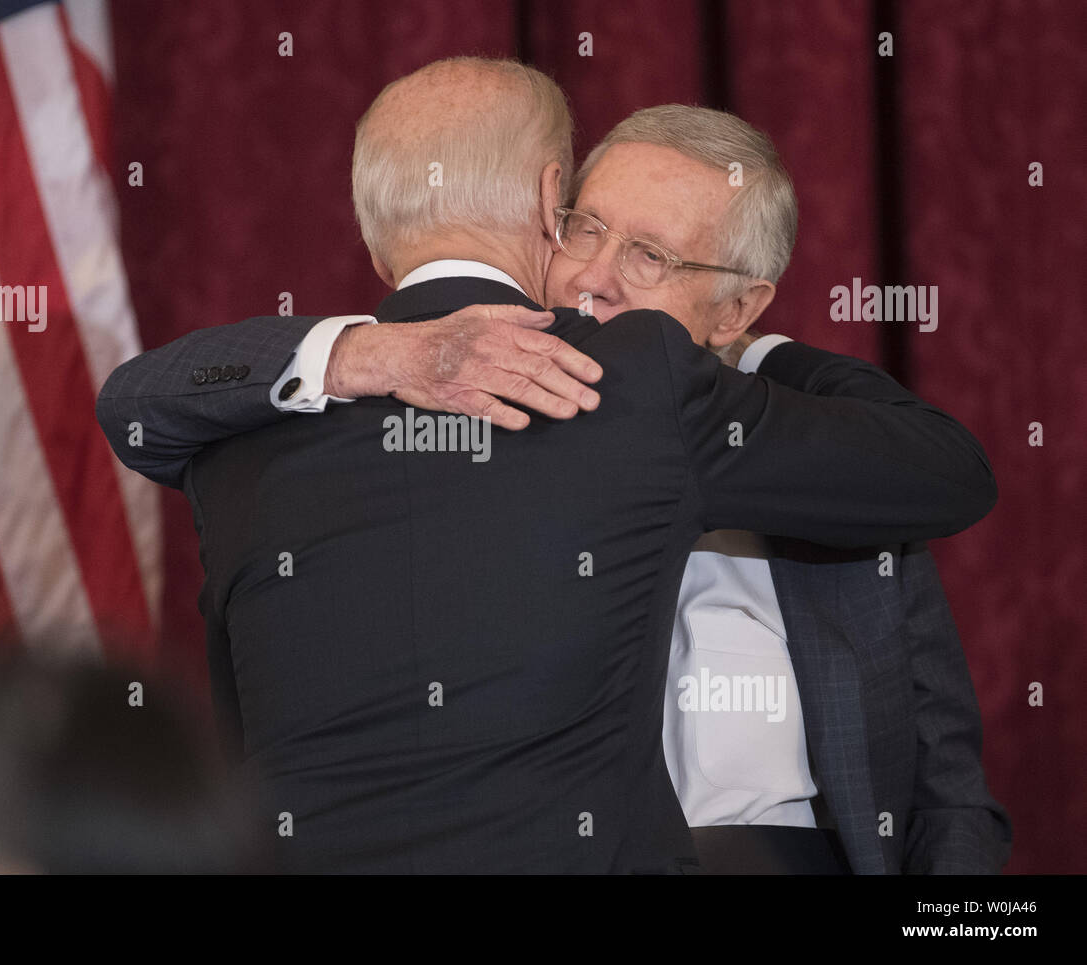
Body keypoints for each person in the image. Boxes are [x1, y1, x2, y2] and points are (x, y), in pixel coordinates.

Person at [97, 58, 997, 873]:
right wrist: (370, 355)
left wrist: (762, 358)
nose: (594, 279)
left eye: (647, 254)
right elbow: (138, 399)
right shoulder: (341, 399)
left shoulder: (775, 431)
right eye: (584, 228)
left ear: (739, 308)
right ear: (547, 207)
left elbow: (946, 778)